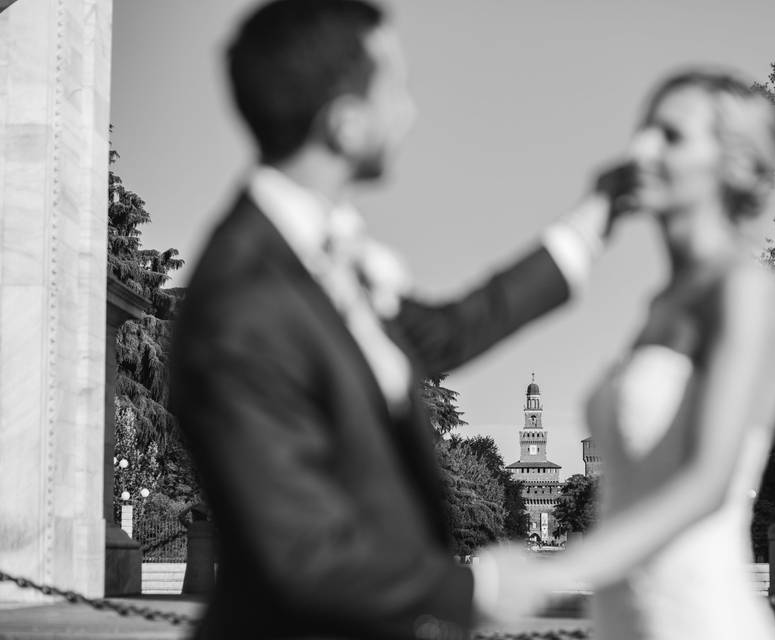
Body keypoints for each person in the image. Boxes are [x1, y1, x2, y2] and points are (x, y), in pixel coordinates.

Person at [168, 1, 636, 638]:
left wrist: (598, 214)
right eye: (395, 89)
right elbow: (301, 557)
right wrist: (476, 587)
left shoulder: (322, 261)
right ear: (345, 122)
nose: (410, 112)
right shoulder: (243, 303)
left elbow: (451, 331)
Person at [484, 70, 775, 638]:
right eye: (643, 130)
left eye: (671, 136)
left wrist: (552, 573)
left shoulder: (744, 293)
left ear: (734, 165)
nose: (640, 149)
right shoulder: (658, 305)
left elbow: (708, 482)